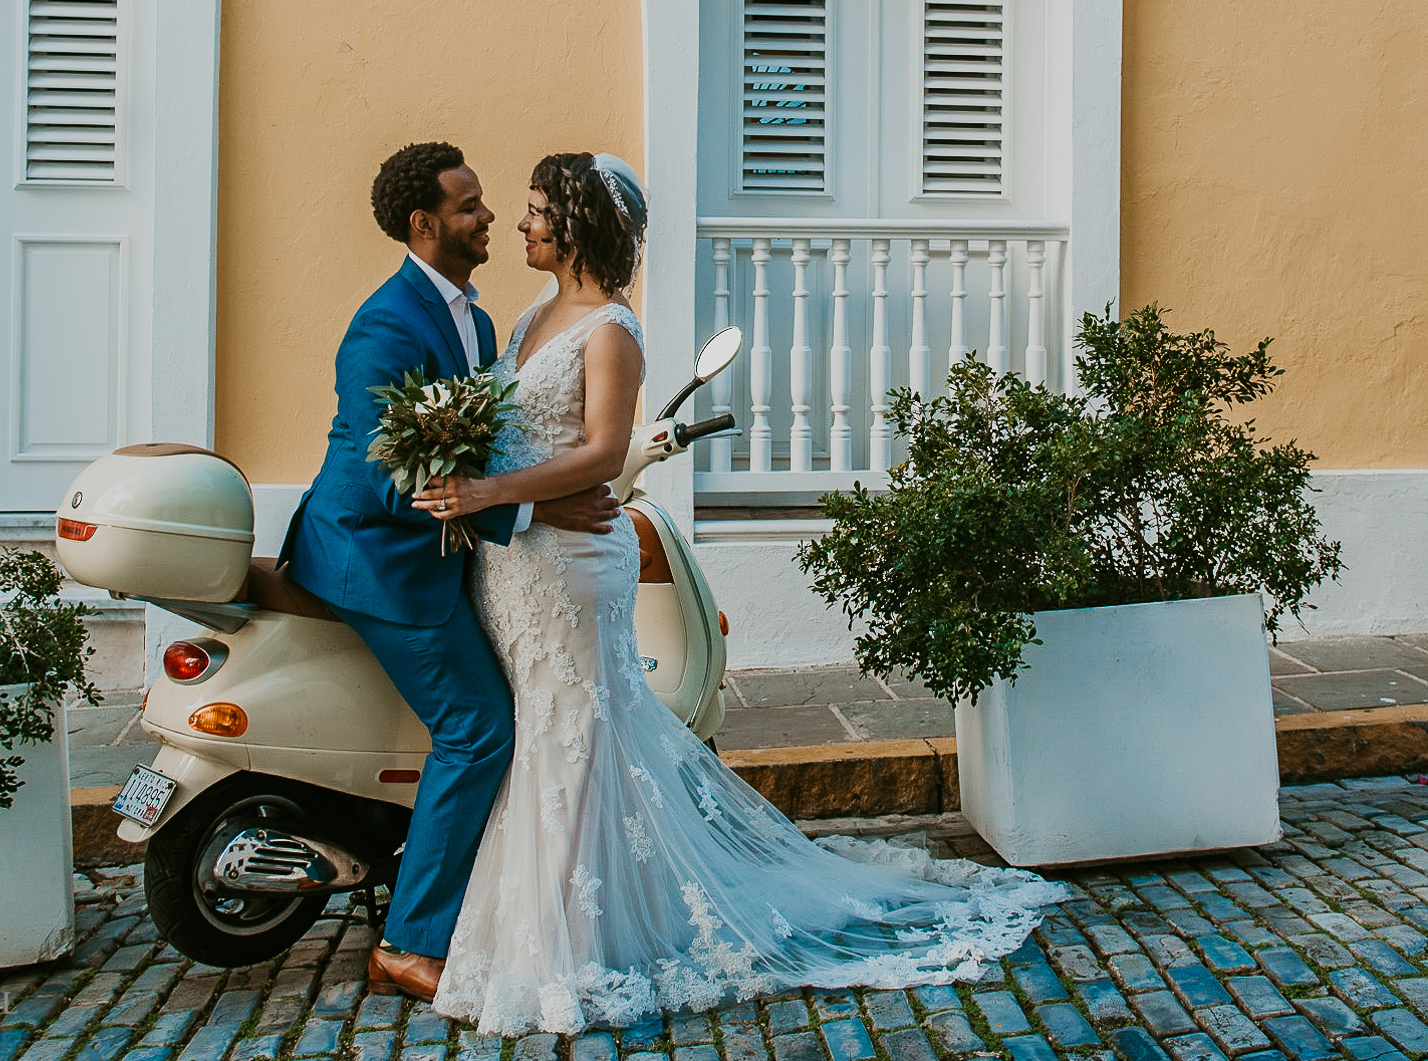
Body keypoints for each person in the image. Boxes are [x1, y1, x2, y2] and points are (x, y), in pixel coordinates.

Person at [414, 152, 1066, 1036]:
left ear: (574, 225)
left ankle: (567, 949)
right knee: (547, 737)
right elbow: (520, 431)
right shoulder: (533, 314)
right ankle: (567, 926)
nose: (522, 225)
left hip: (569, 566)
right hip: (517, 567)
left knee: (576, 743)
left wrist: (492, 492)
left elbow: (606, 454)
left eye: (535, 211)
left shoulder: (611, 328)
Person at [279, 142, 621, 1002]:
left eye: (489, 201)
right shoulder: (386, 325)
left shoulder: (475, 315)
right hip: (379, 559)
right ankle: (408, 941)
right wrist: (529, 509)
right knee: (479, 728)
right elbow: (383, 472)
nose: (492, 218)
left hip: (451, 555)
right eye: (470, 206)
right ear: (424, 224)